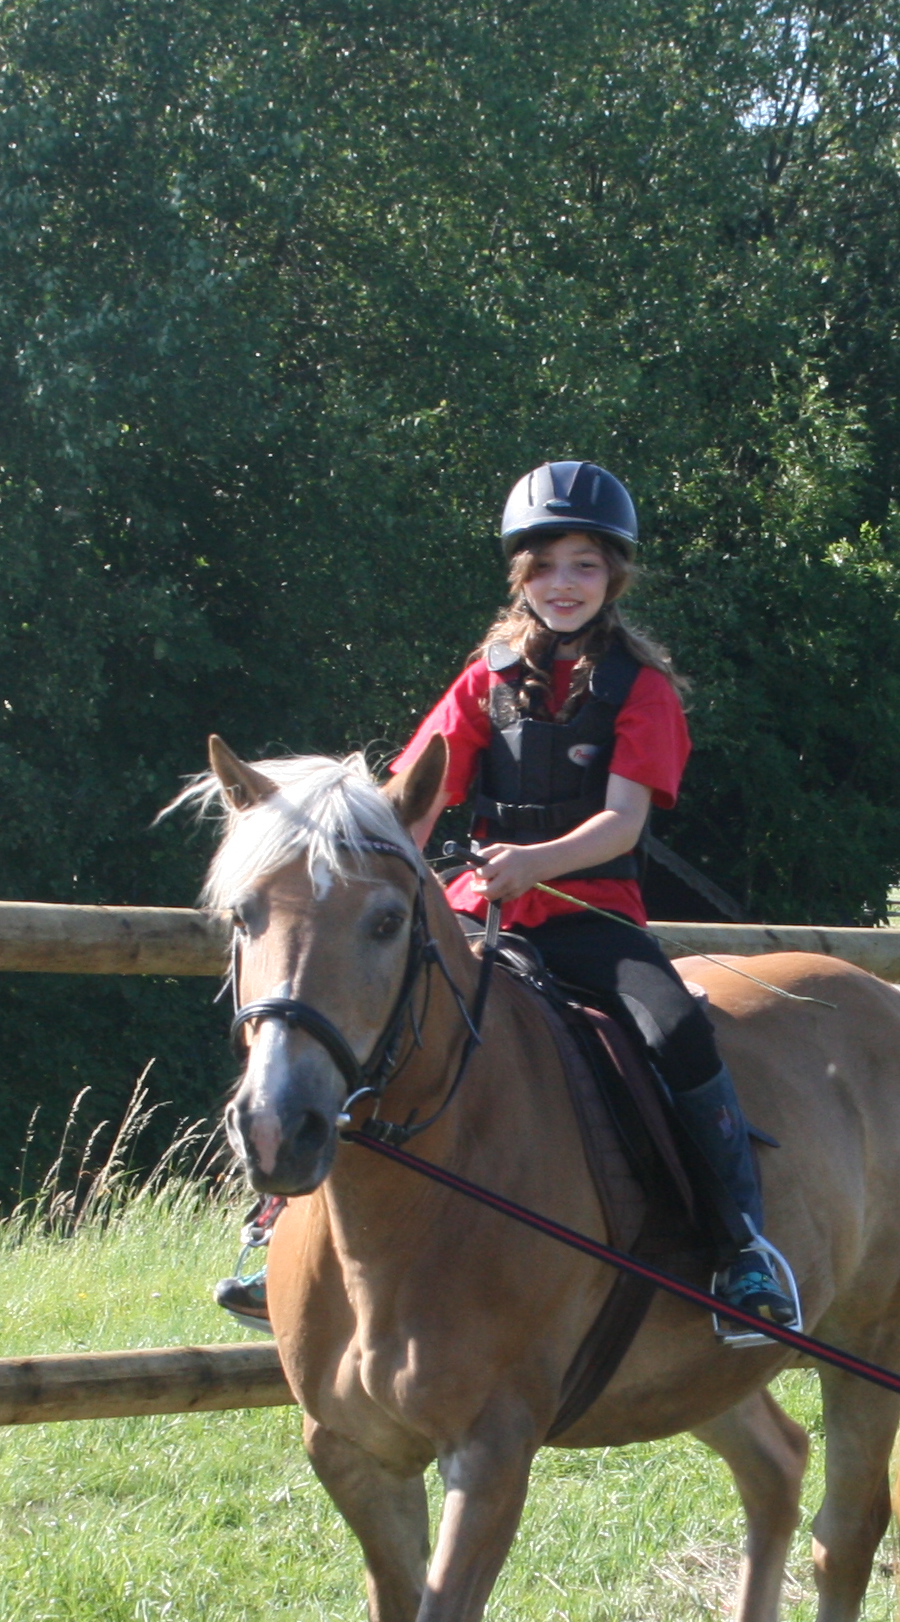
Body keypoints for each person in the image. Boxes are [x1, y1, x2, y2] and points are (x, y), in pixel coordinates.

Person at [217, 459, 800, 1341]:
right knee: (361, 1027)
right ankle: (279, 1228)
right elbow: (411, 797)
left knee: (676, 1033)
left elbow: (621, 822)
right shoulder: (483, 680)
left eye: (584, 565)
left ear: (615, 576)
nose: (563, 584)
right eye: (544, 565)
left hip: (591, 920)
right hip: (473, 915)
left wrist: (535, 862)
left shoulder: (642, 691)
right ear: (518, 574)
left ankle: (742, 1245)